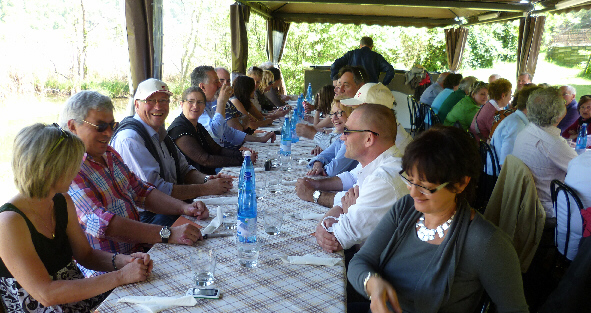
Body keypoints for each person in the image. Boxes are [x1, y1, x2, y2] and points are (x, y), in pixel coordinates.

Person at [348, 125, 528, 313]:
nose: (413, 192)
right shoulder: (406, 208)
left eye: (426, 186)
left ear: (461, 183)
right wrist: (372, 284)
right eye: (409, 179)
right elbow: (360, 261)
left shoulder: (487, 244)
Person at [0, 123, 153, 312]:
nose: (77, 170)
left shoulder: (61, 201)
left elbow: (85, 255)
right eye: (73, 164)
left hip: (79, 301)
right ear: (49, 170)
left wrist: (123, 262)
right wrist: (121, 276)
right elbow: (45, 294)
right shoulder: (9, 221)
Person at [61, 91, 207, 277]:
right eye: (100, 126)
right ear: (73, 126)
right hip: (105, 273)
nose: (108, 133)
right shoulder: (70, 168)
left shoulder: (110, 154)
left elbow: (141, 191)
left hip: (138, 255)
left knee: (202, 265)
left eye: (112, 125)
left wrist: (185, 208)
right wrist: (168, 234)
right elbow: (102, 223)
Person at [110, 78, 233, 226]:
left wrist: (207, 180)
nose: (158, 106)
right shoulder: (130, 139)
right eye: (151, 100)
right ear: (137, 104)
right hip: (146, 218)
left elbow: (184, 169)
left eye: (164, 100)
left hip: (171, 207)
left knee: (225, 219)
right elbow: (156, 192)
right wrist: (205, 189)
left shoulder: (159, 131)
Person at [295, 104, 409, 252]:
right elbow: (344, 203)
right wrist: (343, 212)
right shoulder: (377, 163)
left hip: (380, 270)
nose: (342, 137)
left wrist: (323, 225)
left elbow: (336, 240)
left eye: (347, 131)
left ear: (368, 139)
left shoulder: (383, 179)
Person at [512, 87, 578, 217]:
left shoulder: (526, 131)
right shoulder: (553, 144)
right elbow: (581, 170)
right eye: (563, 103)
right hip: (548, 209)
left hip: (524, 202)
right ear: (558, 113)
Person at [190, 65, 276, 149]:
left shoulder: (208, 104)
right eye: (217, 81)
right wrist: (221, 102)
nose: (221, 85)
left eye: (228, 81)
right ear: (202, 87)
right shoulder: (194, 109)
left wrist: (260, 139)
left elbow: (230, 132)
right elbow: (216, 134)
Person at [168, 86, 244, 175]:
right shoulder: (178, 129)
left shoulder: (198, 126)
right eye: (190, 102)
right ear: (181, 104)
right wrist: (241, 160)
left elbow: (218, 150)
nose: (195, 106)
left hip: (207, 177)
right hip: (189, 183)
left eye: (200, 102)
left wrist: (243, 154)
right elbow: (205, 160)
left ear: (204, 106)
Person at [490, 85, 540, 167]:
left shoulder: (518, 119)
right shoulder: (517, 126)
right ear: (532, 105)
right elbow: (506, 164)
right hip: (499, 177)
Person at [307, 101, 357, 177]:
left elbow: (333, 171)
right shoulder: (343, 135)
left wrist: (322, 168)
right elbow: (323, 155)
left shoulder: (353, 138)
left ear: (351, 114)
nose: (334, 118)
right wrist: (317, 164)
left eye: (339, 113)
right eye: (332, 114)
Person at [330, 36, 395, 85]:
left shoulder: (351, 54)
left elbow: (334, 65)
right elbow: (390, 70)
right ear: (371, 46)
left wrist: (335, 79)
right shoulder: (377, 57)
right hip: (370, 88)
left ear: (360, 45)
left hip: (353, 86)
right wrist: (383, 84)